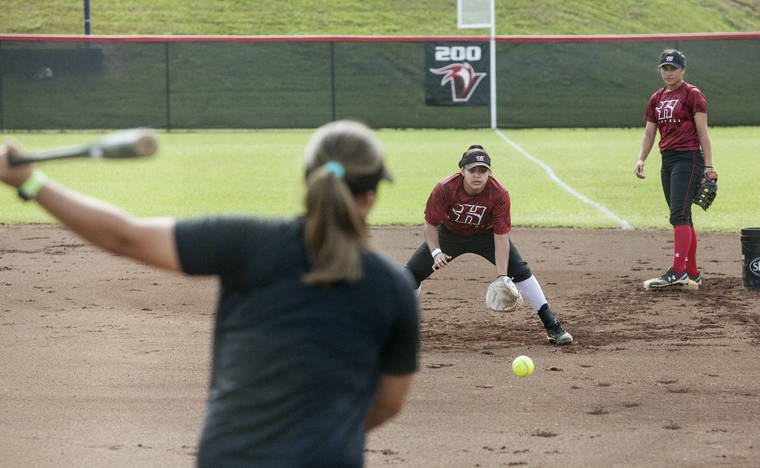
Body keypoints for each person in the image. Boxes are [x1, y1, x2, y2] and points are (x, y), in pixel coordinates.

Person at [0, 120, 419, 468]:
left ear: (308, 181)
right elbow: (389, 404)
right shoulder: (395, 288)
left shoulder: (246, 242)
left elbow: (124, 237)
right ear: (370, 196)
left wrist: (31, 182)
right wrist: (323, 426)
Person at [404, 144, 573, 345]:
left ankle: (552, 325)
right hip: (449, 234)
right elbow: (431, 225)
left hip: (486, 235)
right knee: (411, 273)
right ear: (462, 171)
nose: (477, 175)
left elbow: (501, 237)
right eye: (472, 170)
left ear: (489, 173)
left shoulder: (499, 194)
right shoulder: (445, 188)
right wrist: (437, 252)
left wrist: (502, 276)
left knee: (521, 272)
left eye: (482, 171)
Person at [634, 49, 717, 290]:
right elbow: (650, 131)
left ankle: (678, 271)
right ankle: (692, 273)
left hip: (689, 158)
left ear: (682, 70)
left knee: (678, 215)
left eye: (673, 68)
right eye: (664, 68)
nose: (668, 72)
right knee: (683, 216)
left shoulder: (693, 95)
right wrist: (641, 158)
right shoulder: (656, 98)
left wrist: (709, 166)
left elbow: (703, 133)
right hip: (668, 159)